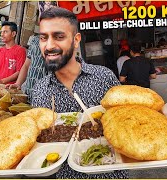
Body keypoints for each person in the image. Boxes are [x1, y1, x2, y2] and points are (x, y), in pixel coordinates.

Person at [31, 7, 128, 178]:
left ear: (76, 40)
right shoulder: (39, 90)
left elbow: (124, 123)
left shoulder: (103, 77)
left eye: (59, 37)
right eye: (43, 37)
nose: (49, 45)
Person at [7, 26, 47, 102]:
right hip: (28, 93)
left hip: (44, 97)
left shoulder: (59, 45)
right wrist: (18, 83)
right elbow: (26, 65)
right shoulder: (35, 40)